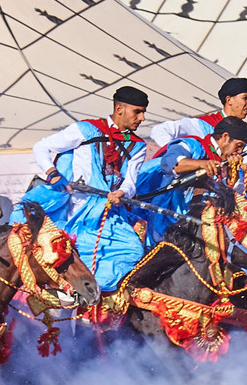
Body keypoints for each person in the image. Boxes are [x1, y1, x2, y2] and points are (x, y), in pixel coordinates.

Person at [11, 86, 148, 292]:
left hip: (108, 211)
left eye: (143, 112)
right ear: (119, 109)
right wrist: (52, 173)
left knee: (134, 251)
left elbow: (130, 181)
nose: (143, 118)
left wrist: (123, 192)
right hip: (72, 206)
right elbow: (41, 147)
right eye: (137, 111)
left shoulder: (138, 146)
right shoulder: (86, 129)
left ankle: (87, 291)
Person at [134, 115, 247, 245]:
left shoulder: (229, 163)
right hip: (168, 218)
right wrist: (201, 164)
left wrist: (231, 173)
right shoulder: (193, 145)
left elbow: (236, 194)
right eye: (238, 146)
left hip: (200, 225)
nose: (239, 152)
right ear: (225, 137)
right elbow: (168, 163)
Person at [149, 77, 247, 168]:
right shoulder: (201, 124)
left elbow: (245, 168)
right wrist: (178, 155)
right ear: (229, 100)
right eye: (245, 98)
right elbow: (159, 130)